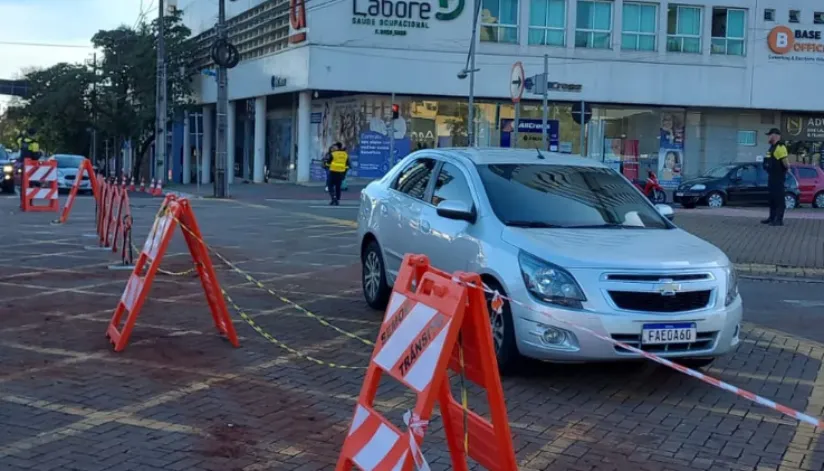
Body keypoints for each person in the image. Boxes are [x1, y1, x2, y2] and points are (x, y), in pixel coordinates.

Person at [762, 128, 790, 226]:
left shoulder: (780, 147)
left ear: (775, 136)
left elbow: (785, 162)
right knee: (772, 198)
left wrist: (787, 169)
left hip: (778, 177)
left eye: (770, 135)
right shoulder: (772, 147)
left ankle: (779, 220)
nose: (768, 137)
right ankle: (772, 218)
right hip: (772, 177)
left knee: (779, 199)